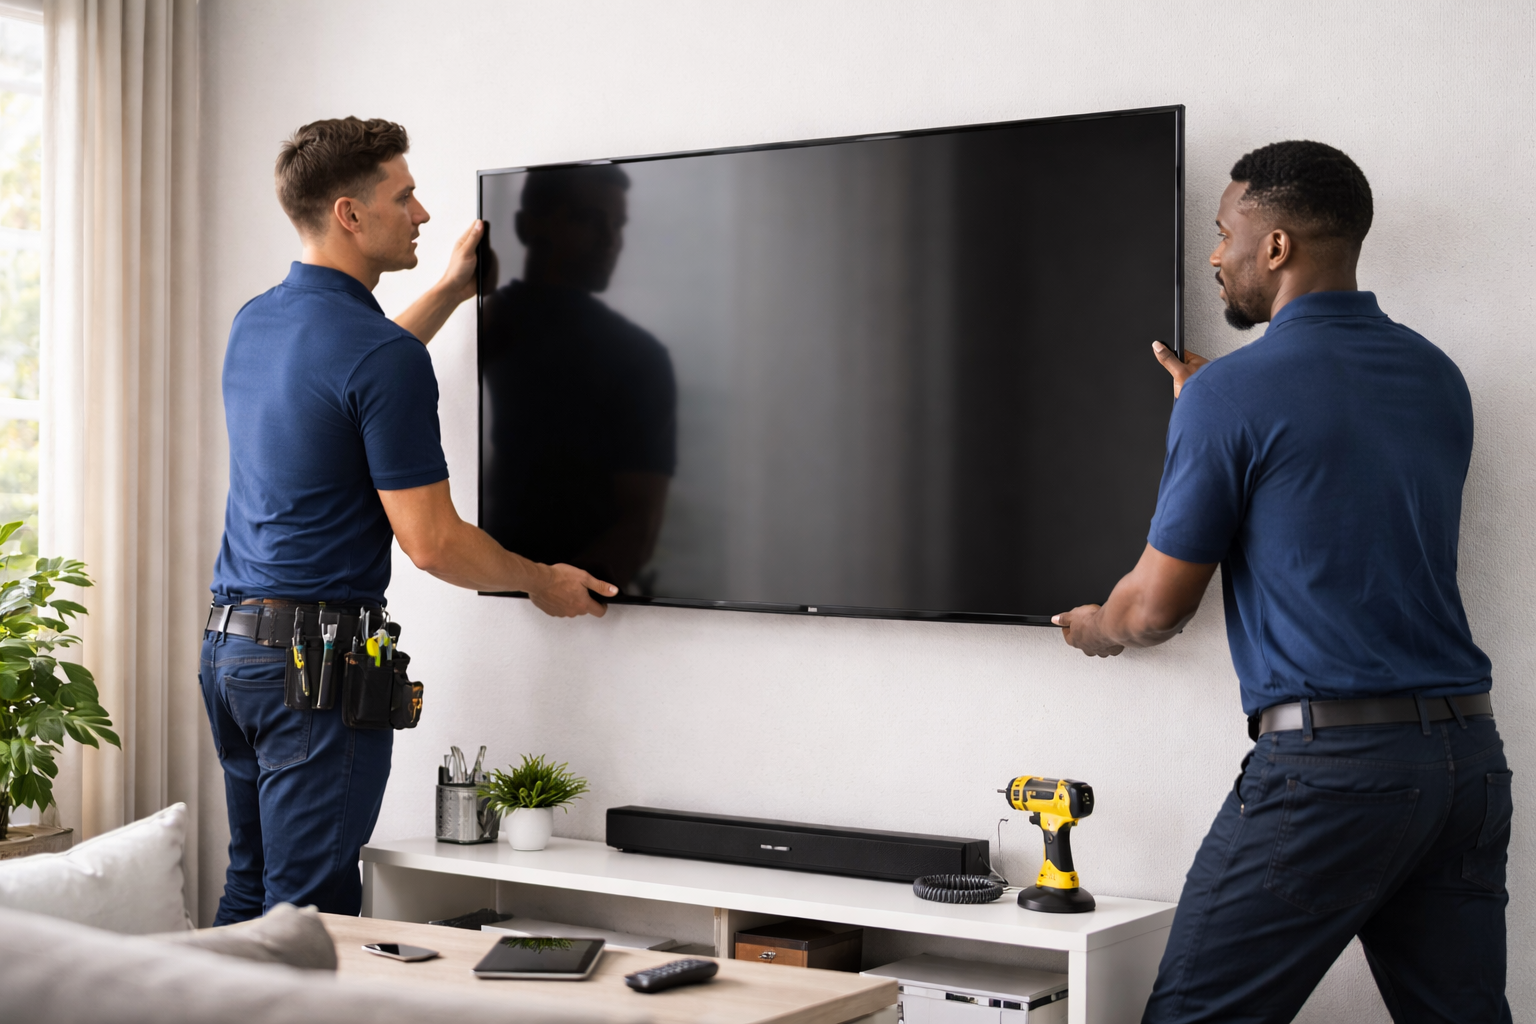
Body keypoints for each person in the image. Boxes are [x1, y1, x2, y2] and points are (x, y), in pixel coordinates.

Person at [1053, 141, 1510, 1022]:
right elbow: (1333, 492)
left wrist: (1094, 626)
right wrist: (1212, 412)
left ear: (1276, 247)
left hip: (1332, 774)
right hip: (1466, 768)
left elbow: (1154, 610)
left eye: (1225, 233)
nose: (1214, 255)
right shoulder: (1435, 376)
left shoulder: (1236, 394)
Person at [200, 117, 618, 924]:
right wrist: (540, 582)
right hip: (312, 674)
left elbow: (348, 379)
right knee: (310, 920)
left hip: (234, 655)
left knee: (252, 894)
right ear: (351, 214)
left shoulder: (259, 321)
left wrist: (452, 292)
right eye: (406, 195)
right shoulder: (377, 358)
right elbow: (433, 545)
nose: (423, 213)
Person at [479, 165, 676, 592]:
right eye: (586, 218)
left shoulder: (637, 357)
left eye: (618, 224)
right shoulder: (481, 329)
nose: (611, 240)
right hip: (487, 585)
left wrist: (565, 590)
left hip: (583, 601)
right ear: (527, 225)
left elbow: (641, 522)